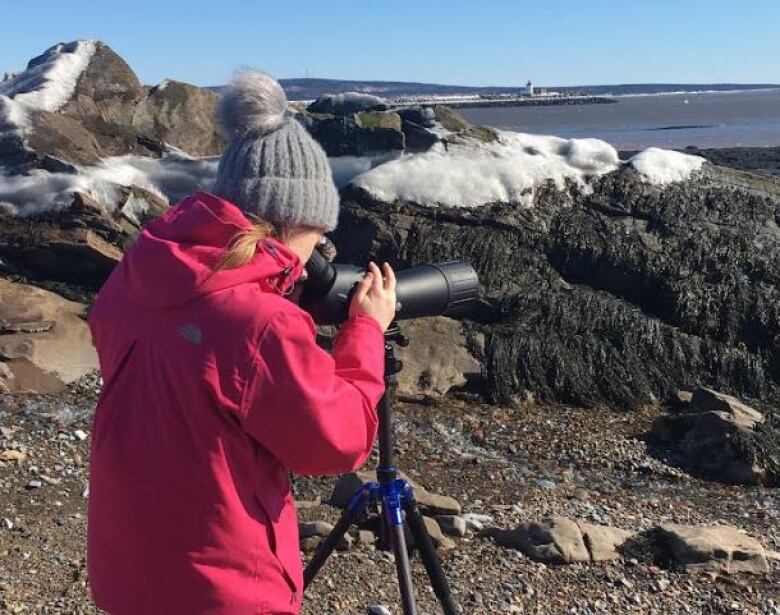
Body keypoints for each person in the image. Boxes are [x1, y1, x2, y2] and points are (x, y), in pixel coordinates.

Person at [86, 72, 396, 615]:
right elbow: (337, 443)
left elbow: (197, 366)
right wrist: (366, 329)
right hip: (224, 591)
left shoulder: (135, 280)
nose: (318, 253)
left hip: (129, 572)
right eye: (318, 237)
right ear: (291, 221)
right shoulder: (261, 324)